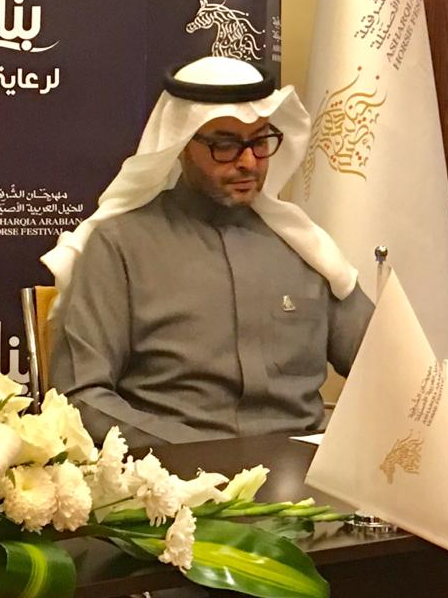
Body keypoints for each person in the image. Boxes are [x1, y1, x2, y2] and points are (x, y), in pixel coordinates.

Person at [46, 56, 374, 447]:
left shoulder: (306, 247)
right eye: (225, 145)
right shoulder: (119, 247)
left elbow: (389, 368)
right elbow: (81, 398)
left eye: (260, 142)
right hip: (176, 475)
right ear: (181, 143)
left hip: (304, 474)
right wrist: (198, 456)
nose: (248, 162)